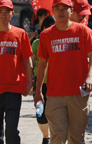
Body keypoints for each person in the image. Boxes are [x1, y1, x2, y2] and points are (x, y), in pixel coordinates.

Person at [34, 0, 92, 144]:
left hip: (78, 93)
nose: (60, 12)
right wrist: (38, 92)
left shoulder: (84, 31)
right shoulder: (46, 35)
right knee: (58, 136)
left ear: (71, 11)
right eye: (57, 9)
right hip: (55, 94)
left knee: (76, 137)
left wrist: (90, 76)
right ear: (53, 12)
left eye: (64, 9)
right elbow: (42, 64)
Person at [0, 0, 33, 144]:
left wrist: (29, 81)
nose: (3, 15)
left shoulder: (20, 34)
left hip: (13, 89)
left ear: (12, 13)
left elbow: (27, 59)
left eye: (7, 11)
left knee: (11, 131)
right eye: (0, 11)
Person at [32, 16, 56, 144]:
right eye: (49, 26)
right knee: (41, 113)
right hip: (40, 83)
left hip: (56, 83)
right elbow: (32, 61)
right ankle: (46, 136)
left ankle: (54, 136)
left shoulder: (59, 42)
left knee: (56, 112)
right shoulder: (37, 43)